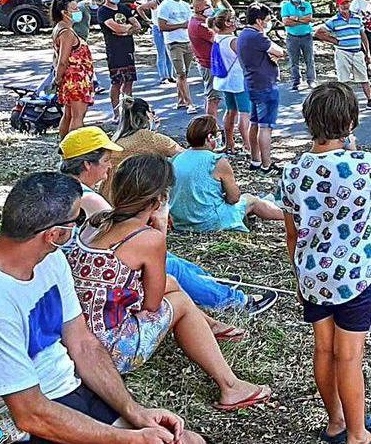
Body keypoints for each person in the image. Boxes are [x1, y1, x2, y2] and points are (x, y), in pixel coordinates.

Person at [0, 172, 206, 444]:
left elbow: (82, 343)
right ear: (56, 234)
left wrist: (136, 412)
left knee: (187, 440)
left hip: (62, 392)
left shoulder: (51, 258)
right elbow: (30, 414)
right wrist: (129, 439)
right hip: (0, 423)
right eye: (78, 220)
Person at [67, 154, 274, 411]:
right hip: (106, 350)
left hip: (75, 335)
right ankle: (231, 387)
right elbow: (152, 305)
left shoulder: (95, 221)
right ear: (159, 200)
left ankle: (210, 326)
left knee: (173, 282)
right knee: (180, 303)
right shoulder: (147, 238)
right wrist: (161, 226)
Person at [278, 82, 371, 444]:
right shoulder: (364, 164)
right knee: (349, 357)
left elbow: (292, 233)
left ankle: (335, 422)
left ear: (309, 121)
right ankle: (358, 435)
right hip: (355, 275)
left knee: (323, 349)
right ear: (350, 123)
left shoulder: (292, 172)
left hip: (313, 275)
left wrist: (299, 278)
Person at [60, 125, 273, 318]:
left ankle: (211, 284)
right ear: (87, 164)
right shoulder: (89, 200)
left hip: (88, 269)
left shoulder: (66, 187)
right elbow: (126, 237)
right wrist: (159, 222)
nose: (109, 166)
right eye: (106, 160)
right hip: (100, 277)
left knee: (171, 261)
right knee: (171, 266)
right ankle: (235, 301)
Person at [171, 115, 283, 232]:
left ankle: (269, 203)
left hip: (180, 223)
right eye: (217, 135)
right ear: (210, 137)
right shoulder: (216, 161)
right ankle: (289, 217)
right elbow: (234, 198)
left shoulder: (176, 159)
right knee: (250, 200)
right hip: (209, 222)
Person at [239, 2, 286, 173]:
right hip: (265, 85)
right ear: (259, 21)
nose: (268, 23)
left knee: (255, 123)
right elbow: (279, 51)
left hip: (252, 83)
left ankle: (255, 159)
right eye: (267, 20)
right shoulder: (258, 37)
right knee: (266, 126)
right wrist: (275, 54)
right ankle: (267, 165)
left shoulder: (244, 34)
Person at [315, 0, 371, 110]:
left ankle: (370, 100)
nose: (345, 6)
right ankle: (344, 103)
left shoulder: (357, 18)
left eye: (347, 3)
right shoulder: (334, 20)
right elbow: (318, 33)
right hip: (343, 52)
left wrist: (367, 52)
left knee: (364, 77)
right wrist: (334, 41)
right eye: (342, 4)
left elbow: (363, 35)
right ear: (338, 7)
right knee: (343, 80)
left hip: (357, 51)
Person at [108, 99, 183, 192]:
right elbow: (184, 154)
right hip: (140, 193)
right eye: (152, 112)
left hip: (112, 194)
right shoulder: (150, 138)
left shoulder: (115, 140)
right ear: (147, 115)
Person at [209, 8, 253, 158]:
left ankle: (230, 143)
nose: (236, 21)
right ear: (227, 23)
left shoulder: (217, 38)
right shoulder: (233, 41)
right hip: (239, 81)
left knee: (230, 111)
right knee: (244, 113)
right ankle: (248, 145)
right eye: (233, 18)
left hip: (225, 81)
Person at [49, 0, 95, 137]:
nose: (77, 11)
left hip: (71, 79)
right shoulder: (67, 32)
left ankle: (64, 146)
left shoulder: (61, 28)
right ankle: (74, 151)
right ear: (64, 12)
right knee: (77, 117)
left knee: (68, 115)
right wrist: (57, 79)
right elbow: (63, 60)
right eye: (74, 9)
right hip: (76, 79)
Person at [97, 0, 141, 122]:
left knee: (129, 81)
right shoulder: (103, 12)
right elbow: (116, 28)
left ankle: (128, 112)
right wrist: (127, 27)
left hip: (128, 48)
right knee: (117, 82)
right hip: (114, 50)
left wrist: (126, 31)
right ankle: (116, 113)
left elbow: (138, 26)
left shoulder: (124, 8)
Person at [157, 0, 198, 113]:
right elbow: (162, 26)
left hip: (187, 41)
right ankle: (189, 103)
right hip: (174, 43)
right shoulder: (165, 5)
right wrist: (181, 25)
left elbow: (191, 23)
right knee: (181, 74)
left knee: (185, 73)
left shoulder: (185, 5)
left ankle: (180, 100)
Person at [186, 0, 222, 120]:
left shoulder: (195, 21)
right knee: (213, 98)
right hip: (209, 64)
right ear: (197, 8)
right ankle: (212, 127)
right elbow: (218, 40)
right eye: (207, 5)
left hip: (206, 62)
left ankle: (211, 124)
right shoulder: (201, 25)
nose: (210, 8)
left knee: (210, 95)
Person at [281, 0, 317, 90]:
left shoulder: (307, 5)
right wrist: (302, 20)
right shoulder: (286, 6)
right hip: (292, 37)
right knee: (293, 60)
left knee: (309, 59)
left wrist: (295, 19)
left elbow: (308, 19)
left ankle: (311, 80)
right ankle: (296, 81)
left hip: (306, 36)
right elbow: (286, 22)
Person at [138, 0, 176, 84]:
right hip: (158, 29)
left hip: (169, 29)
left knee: (169, 52)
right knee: (161, 53)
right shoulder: (155, 3)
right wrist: (147, 20)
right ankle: (163, 76)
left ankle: (170, 75)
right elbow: (140, 8)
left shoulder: (170, 2)